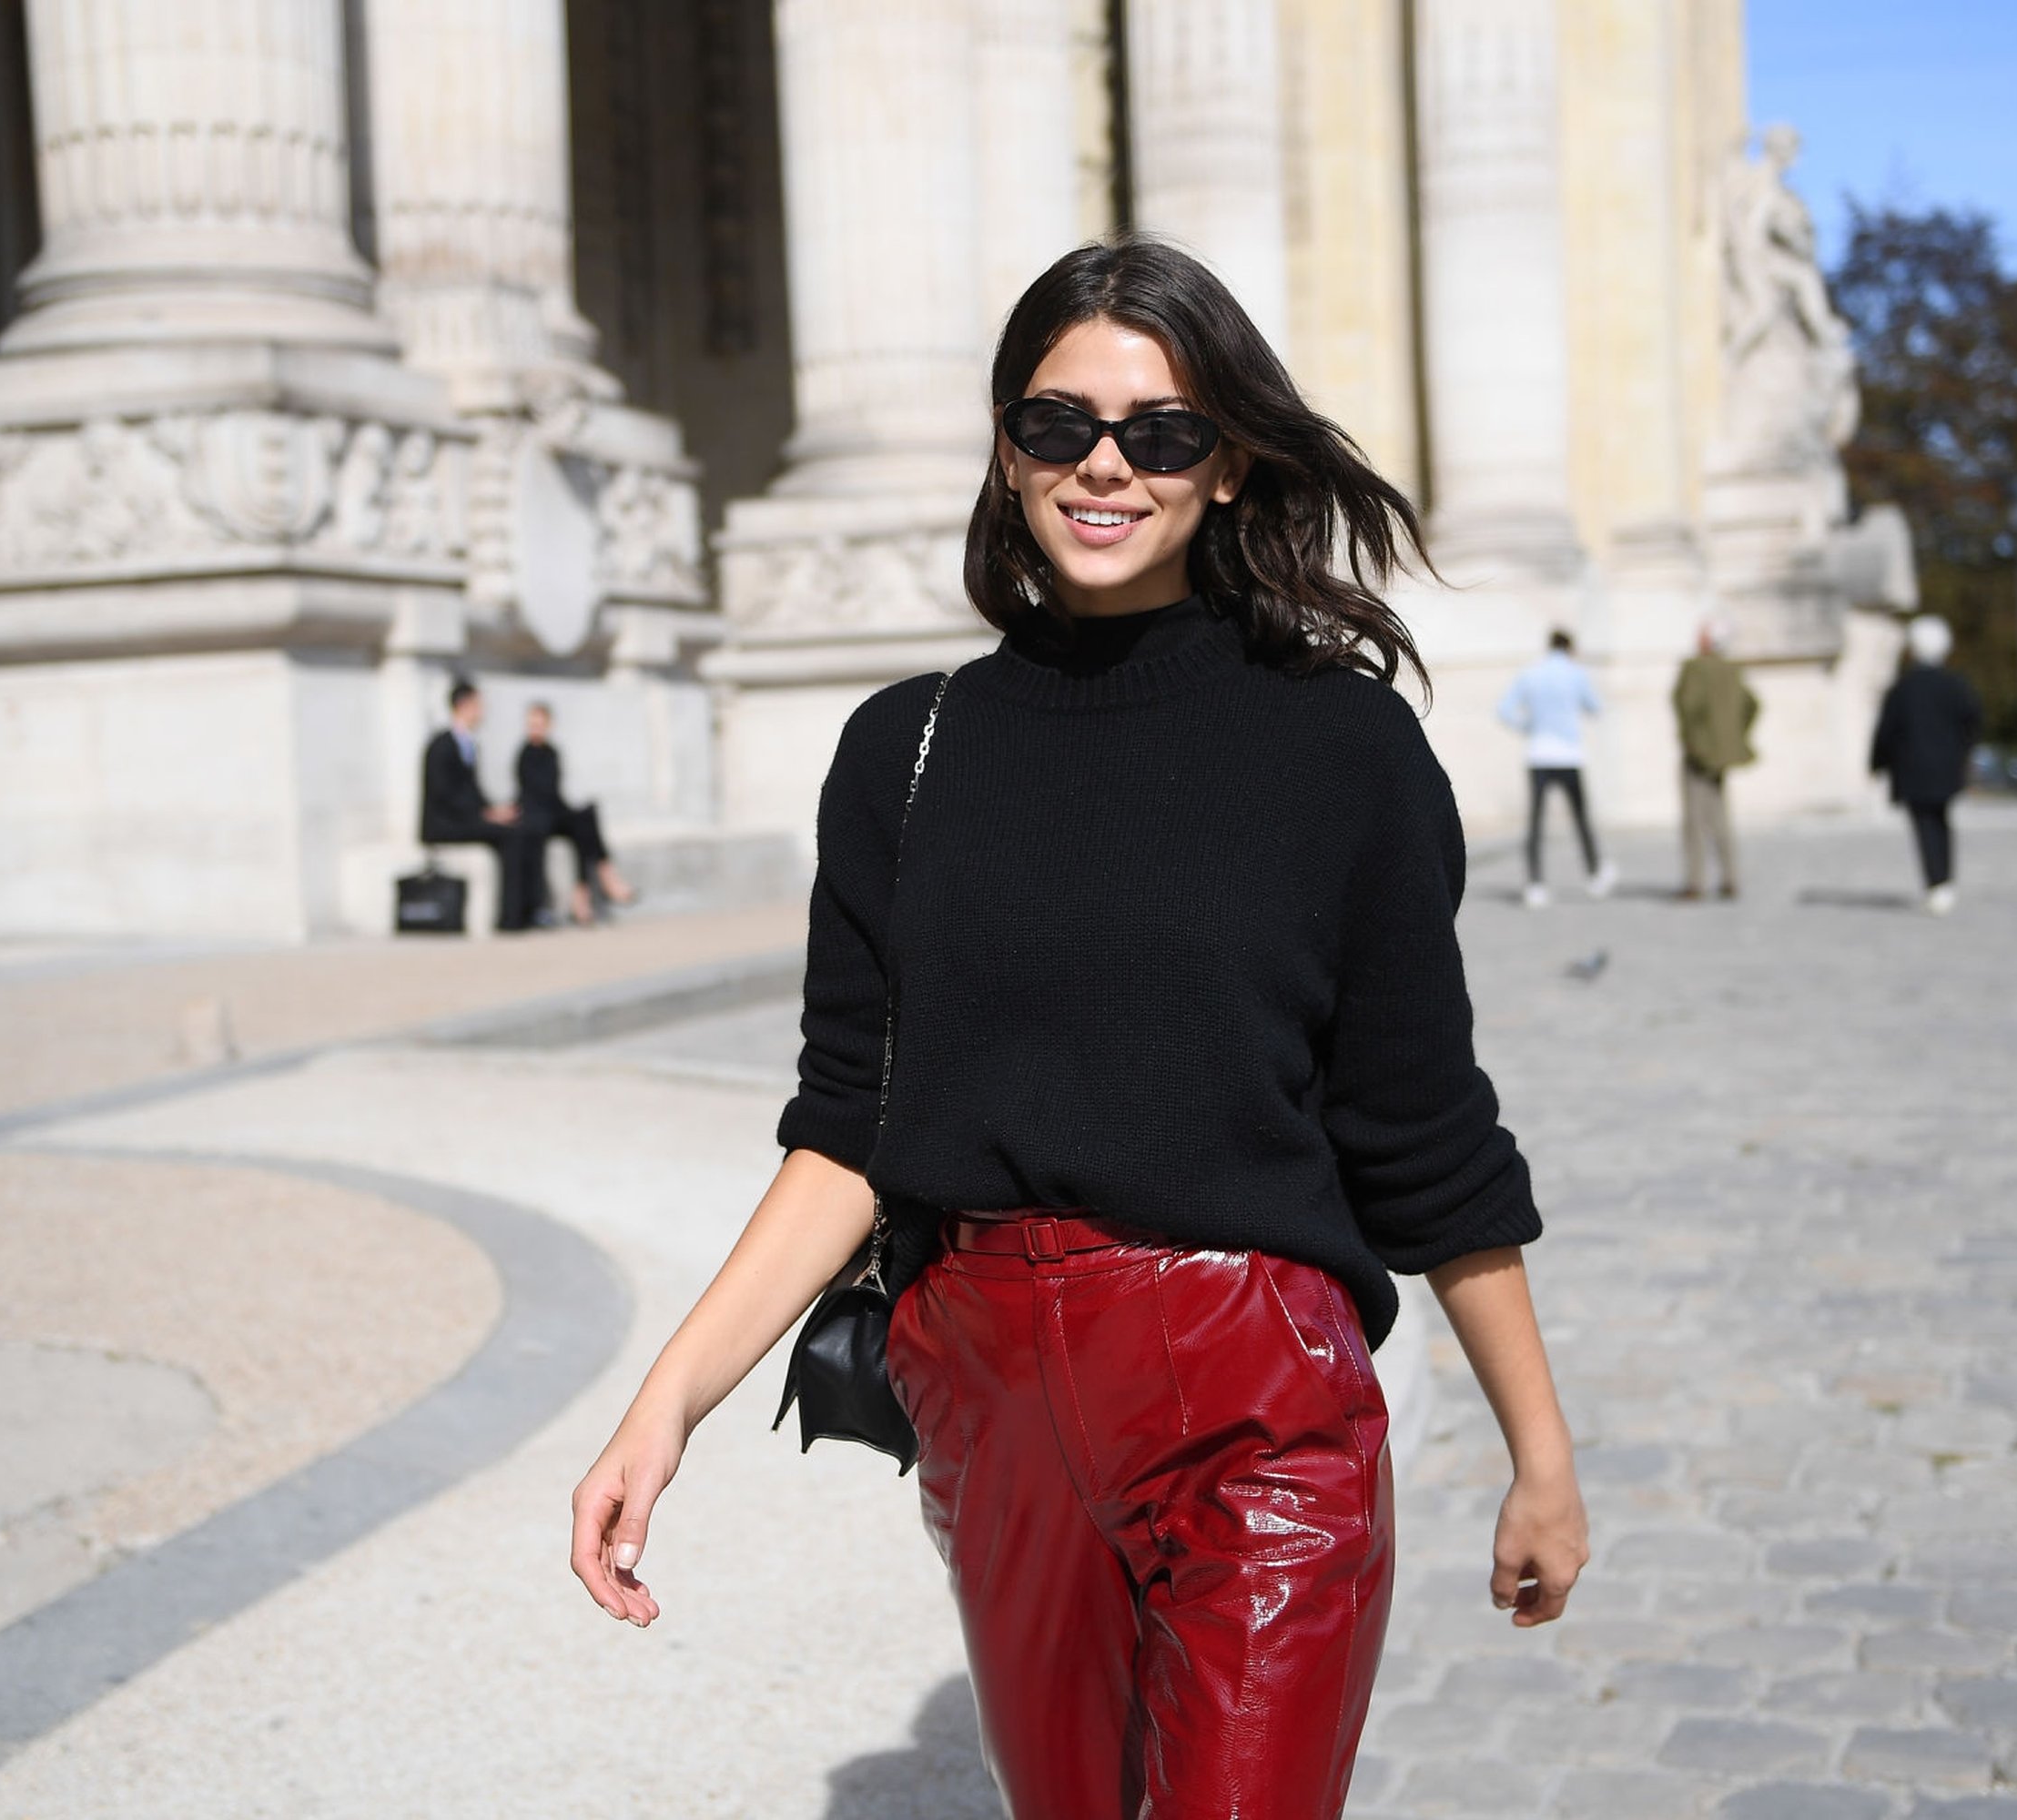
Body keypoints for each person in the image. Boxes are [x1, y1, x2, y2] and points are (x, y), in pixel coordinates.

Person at [568, 238, 1588, 1819]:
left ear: (1231, 464)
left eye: (1162, 432)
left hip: (1260, 1412)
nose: (1106, 465)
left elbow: (1422, 1125)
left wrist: (1541, 1451)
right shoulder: (904, 752)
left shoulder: (1340, 747)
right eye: (1059, 424)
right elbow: (852, 1119)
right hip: (992, 1420)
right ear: (1004, 444)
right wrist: (669, 1401)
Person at [1496, 629, 1617, 908]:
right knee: (1580, 818)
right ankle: (1594, 873)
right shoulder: (1576, 674)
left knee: (1536, 822)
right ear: (1570, 648)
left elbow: (1504, 709)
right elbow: (1596, 707)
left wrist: (1528, 727)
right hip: (1569, 755)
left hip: (1539, 754)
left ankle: (1535, 884)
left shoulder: (1531, 673)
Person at [1870, 614, 1982, 915]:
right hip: (1945, 768)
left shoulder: (1903, 688)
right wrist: (1962, 752)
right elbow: (1972, 722)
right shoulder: (1954, 686)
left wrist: (1876, 763)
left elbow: (1885, 730)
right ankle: (1944, 880)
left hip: (1913, 769)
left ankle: (1935, 883)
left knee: (1924, 826)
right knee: (1943, 823)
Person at [420, 679, 546, 932]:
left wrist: (495, 810)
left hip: (465, 818)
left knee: (527, 827)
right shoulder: (441, 745)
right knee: (511, 836)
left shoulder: (469, 744)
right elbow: (444, 794)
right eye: (479, 705)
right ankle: (510, 919)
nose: (483, 711)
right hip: (444, 824)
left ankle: (531, 910)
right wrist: (484, 814)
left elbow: (473, 792)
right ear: (465, 705)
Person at [514, 702, 638, 925]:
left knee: (587, 816)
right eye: (533, 724)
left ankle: (593, 884)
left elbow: (555, 792)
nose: (536, 729)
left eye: (540, 724)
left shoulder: (551, 752)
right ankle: (601, 881)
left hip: (554, 811)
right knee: (582, 824)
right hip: (539, 816)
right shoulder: (525, 754)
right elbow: (536, 794)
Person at [1672, 622, 1758, 900]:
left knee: (1695, 820)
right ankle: (1729, 877)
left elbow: (1687, 705)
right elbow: (1752, 705)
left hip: (1699, 754)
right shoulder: (1732, 670)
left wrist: (1692, 739)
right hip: (1722, 755)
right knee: (1721, 818)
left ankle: (1695, 882)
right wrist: (1735, 736)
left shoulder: (1695, 668)